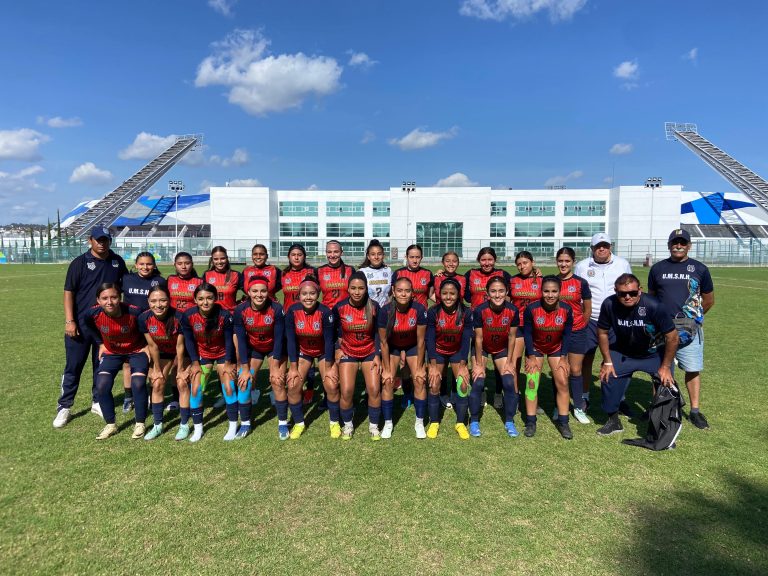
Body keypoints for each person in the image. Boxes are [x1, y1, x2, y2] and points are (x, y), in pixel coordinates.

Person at [53, 226, 128, 429]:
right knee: (73, 366)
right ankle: (65, 406)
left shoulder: (117, 262)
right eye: (98, 239)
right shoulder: (79, 263)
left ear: (110, 241)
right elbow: (69, 292)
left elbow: (125, 290)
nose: (102, 243)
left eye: (105, 239)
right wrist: (70, 321)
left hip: (106, 326)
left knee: (101, 365)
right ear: (90, 240)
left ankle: (97, 401)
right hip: (79, 325)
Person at [647, 228, 715, 429]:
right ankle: (660, 407)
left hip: (689, 328)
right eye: (675, 242)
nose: (678, 245)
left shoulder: (699, 268)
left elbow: (709, 300)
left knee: (692, 369)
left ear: (689, 246)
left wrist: (694, 320)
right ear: (669, 245)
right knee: (661, 370)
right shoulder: (657, 269)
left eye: (682, 243)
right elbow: (651, 298)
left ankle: (694, 411)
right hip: (662, 329)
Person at [596, 273, 678, 436]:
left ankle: (659, 419)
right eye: (622, 294)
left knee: (665, 382)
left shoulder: (654, 305)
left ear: (639, 290)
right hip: (623, 351)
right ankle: (613, 420)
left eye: (632, 293)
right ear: (615, 291)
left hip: (652, 354)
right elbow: (602, 332)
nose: (627, 297)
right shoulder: (609, 304)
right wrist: (607, 361)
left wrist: (666, 366)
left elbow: (672, 337)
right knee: (608, 376)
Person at [574, 233, 632, 415]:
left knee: (615, 360)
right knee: (586, 358)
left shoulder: (622, 264)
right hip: (590, 320)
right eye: (598, 246)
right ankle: (584, 396)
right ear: (592, 249)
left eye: (605, 245)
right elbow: (576, 292)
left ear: (610, 247)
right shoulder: (582, 266)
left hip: (615, 320)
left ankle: (619, 398)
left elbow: (630, 288)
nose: (602, 249)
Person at [83, 283, 148, 440]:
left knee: (138, 383)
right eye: (104, 298)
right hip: (112, 352)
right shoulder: (92, 314)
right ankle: (111, 424)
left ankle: (140, 423)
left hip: (136, 351)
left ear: (120, 298)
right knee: (102, 384)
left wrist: (147, 346)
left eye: (113, 297)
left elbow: (147, 328)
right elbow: (88, 326)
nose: (109, 302)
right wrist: (100, 343)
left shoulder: (134, 312)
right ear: (98, 300)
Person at [180, 283, 237, 442]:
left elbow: (228, 341)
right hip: (202, 355)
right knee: (196, 389)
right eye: (201, 299)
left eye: (209, 298)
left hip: (223, 354)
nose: (205, 302)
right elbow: (189, 341)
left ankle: (233, 426)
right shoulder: (188, 315)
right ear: (195, 300)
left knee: (228, 387)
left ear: (216, 298)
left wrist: (228, 363)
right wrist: (195, 363)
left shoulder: (224, 315)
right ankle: (198, 429)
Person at [233, 277, 288, 439]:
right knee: (244, 382)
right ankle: (245, 424)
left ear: (268, 292)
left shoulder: (277, 309)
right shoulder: (240, 310)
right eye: (255, 291)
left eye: (263, 291)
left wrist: (276, 366)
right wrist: (244, 369)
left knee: (277, 381)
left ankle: (283, 423)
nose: (259, 294)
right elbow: (241, 341)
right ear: (248, 292)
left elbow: (279, 339)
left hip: (274, 349)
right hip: (254, 349)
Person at [284, 276, 337, 439]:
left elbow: (329, 342)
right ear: (298, 295)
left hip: (323, 352)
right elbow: (291, 342)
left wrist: (329, 368)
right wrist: (292, 368)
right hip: (304, 352)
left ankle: (334, 423)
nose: (308, 297)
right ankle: (299, 423)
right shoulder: (292, 311)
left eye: (312, 293)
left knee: (331, 384)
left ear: (318, 294)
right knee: (293, 385)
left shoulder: (325, 312)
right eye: (304, 294)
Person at [523, 276, 574, 439]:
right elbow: (528, 334)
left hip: (556, 348)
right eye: (546, 291)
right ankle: (531, 421)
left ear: (560, 292)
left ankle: (564, 422)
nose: (550, 295)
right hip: (536, 349)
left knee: (563, 382)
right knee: (531, 382)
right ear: (541, 291)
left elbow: (567, 334)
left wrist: (564, 357)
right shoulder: (531, 309)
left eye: (554, 291)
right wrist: (530, 355)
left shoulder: (566, 309)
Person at [333, 272, 382, 440]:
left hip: (369, 352)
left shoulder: (374, 306)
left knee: (374, 389)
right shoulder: (339, 307)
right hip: (348, 351)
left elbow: (378, 333)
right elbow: (333, 331)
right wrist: (336, 348)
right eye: (353, 288)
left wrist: (377, 354)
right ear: (347, 289)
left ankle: (374, 426)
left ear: (366, 289)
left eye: (361, 288)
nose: (357, 292)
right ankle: (347, 425)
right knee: (346, 390)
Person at [378, 277, 428, 439]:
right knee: (387, 380)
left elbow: (421, 341)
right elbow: (384, 343)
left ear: (412, 293)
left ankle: (419, 422)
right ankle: (388, 423)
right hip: (393, 347)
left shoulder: (419, 310)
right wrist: (386, 369)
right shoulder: (385, 311)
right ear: (393, 291)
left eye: (407, 291)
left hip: (412, 345)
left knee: (419, 379)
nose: (403, 294)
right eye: (400, 290)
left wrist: (420, 366)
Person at [470, 277, 519, 438]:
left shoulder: (513, 310)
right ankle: (474, 420)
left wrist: (510, 362)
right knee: (478, 381)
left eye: (501, 291)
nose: (497, 295)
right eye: (493, 291)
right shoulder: (480, 310)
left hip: (501, 349)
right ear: (487, 293)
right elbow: (478, 339)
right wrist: (478, 364)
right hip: (482, 348)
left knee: (508, 381)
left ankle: (510, 421)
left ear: (507, 292)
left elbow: (512, 337)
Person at [139, 285, 189, 441]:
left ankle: (184, 424)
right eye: (153, 301)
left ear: (169, 301)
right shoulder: (144, 318)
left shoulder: (180, 317)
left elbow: (180, 346)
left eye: (163, 300)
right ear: (148, 301)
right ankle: (157, 425)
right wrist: (156, 369)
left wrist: (180, 369)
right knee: (158, 382)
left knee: (181, 382)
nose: (158, 305)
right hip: (163, 351)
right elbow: (152, 346)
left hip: (183, 351)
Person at [426, 278, 473, 439]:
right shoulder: (433, 311)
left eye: (452, 294)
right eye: (444, 293)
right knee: (434, 384)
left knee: (462, 385)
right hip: (438, 351)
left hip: (457, 352)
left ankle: (460, 423)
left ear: (458, 295)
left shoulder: (466, 312)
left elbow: (466, 339)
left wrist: (463, 365)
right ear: (439, 294)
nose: (448, 297)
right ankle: (434, 422)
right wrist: (432, 365)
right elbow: (430, 339)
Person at [120, 252, 167, 413]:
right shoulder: (126, 279)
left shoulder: (159, 281)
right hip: (129, 327)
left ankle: (148, 392)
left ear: (154, 265)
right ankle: (128, 396)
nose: (145, 267)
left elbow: (163, 302)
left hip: (151, 327)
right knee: (127, 362)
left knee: (150, 360)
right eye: (141, 264)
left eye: (148, 264)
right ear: (136, 264)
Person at [556, 247, 592, 424]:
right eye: (560, 261)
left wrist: (580, 325)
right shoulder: (551, 281)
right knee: (560, 370)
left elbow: (587, 309)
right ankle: (559, 405)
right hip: (555, 331)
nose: (563, 264)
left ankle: (578, 406)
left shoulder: (581, 283)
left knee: (576, 370)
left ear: (573, 262)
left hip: (577, 331)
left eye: (567, 261)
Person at [509, 251, 543, 411]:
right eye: (519, 264)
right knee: (514, 363)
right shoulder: (512, 280)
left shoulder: (542, 281)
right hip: (517, 326)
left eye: (525, 263)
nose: (522, 266)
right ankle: (514, 398)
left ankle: (532, 399)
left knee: (533, 364)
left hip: (536, 328)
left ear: (532, 262)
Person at [203, 246, 243, 312]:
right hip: (212, 315)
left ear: (227, 259)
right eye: (216, 259)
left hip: (231, 315)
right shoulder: (207, 275)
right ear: (212, 260)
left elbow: (250, 292)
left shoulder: (235, 275)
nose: (219, 262)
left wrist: (242, 302)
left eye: (222, 258)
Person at [318, 240, 355, 309]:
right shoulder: (319, 271)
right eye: (329, 252)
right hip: (327, 312)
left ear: (341, 253)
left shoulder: (350, 270)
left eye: (336, 252)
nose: (332, 255)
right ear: (326, 253)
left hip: (346, 312)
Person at [358, 239, 392, 308]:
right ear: (368, 256)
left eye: (379, 254)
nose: (376, 257)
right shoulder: (362, 272)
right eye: (373, 254)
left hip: (385, 311)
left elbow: (392, 292)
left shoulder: (388, 271)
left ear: (383, 255)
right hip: (369, 310)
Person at [281, 243, 316, 309]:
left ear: (304, 257)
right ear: (288, 257)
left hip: (308, 314)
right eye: (293, 255)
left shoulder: (313, 272)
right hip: (288, 314)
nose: (296, 258)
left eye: (299, 255)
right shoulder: (283, 274)